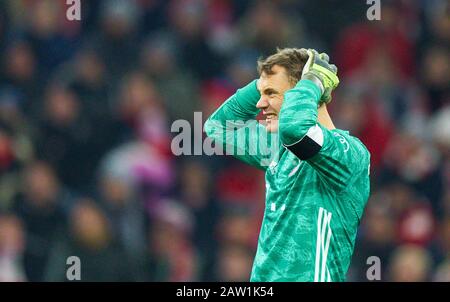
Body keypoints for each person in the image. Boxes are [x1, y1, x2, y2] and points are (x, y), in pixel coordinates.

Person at [205, 48, 371, 282]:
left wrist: (313, 80)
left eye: (271, 93)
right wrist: (264, 81)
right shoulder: (278, 148)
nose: (260, 104)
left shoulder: (350, 154)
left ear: (302, 96)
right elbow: (218, 127)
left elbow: (296, 129)